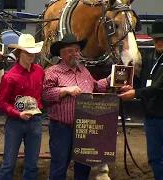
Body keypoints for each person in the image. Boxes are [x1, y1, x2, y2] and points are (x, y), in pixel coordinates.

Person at [42, 33, 111, 180]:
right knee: (59, 166)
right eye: (70, 50)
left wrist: (111, 80)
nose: (75, 54)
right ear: (61, 53)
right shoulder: (53, 72)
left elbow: (96, 86)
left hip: (84, 127)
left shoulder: (84, 71)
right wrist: (64, 90)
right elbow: (46, 94)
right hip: (62, 127)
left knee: (83, 167)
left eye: (77, 50)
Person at [119, 19, 163, 179]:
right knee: (154, 157)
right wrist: (130, 86)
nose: (158, 41)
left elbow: (158, 87)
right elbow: (142, 80)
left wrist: (135, 93)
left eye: (162, 38)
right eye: (156, 38)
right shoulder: (149, 57)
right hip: (151, 116)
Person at [0, 34, 45, 180]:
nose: (31, 55)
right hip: (15, 123)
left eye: (32, 52)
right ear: (19, 53)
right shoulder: (9, 77)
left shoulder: (39, 71)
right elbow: (2, 103)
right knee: (9, 164)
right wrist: (17, 114)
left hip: (35, 120)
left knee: (32, 164)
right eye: (27, 52)